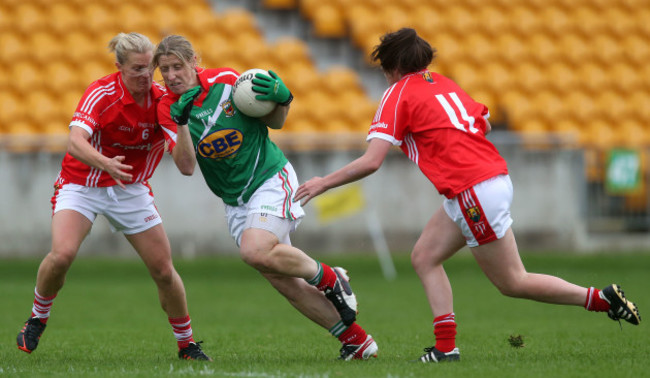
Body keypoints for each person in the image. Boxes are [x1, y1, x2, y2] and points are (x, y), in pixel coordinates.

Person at [294, 28, 641, 363]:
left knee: (512, 281)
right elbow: (484, 124)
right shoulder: (444, 83)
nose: (384, 76)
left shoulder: (398, 92)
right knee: (425, 256)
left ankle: (599, 299)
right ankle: (445, 348)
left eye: (384, 68)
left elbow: (372, 161)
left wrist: (323, 182)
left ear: (393, 66)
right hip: (490, 180)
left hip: (472, 190)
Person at [152, 34, 378, 361]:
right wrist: (183, 123)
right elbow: (186, 166)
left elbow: (276, 122)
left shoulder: (228, 82)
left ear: (193, 62)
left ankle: (331, 278)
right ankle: (357, 342)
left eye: (177, 67)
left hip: (270, 179)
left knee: (255, 250)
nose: (171, 75)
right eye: (165, 70)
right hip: (235, 200)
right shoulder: (166, 107)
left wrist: (283, 101)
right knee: (280, 278)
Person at [16, 32, 211, 361]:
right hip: (83, 183)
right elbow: (76, 141)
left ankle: (187, 344)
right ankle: (37, 318)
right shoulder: (101, 92)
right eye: (136, 69)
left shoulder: (163, 100)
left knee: (164, 270)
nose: (146, 75)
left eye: (150, 67)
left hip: (131, 189)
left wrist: (182, 128)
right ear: (118, 67)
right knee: (62, 255)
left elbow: (186, 165)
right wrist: (105, 162)